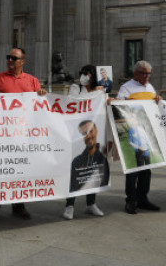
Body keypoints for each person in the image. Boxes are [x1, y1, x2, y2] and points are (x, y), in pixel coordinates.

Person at [0, 47, 47, 221]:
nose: (10, 60)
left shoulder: (32, 81)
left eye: (14, 58)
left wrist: (42, 94)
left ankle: (19, 205)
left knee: (20, 171)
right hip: (2, 135)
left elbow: (37, 107)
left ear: (22, 62)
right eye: (8, 57)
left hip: (23, 134)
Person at [116, 60, 163, 214]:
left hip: (147, 134)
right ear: (135, 73)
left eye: (149, 73)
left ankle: (143, 198)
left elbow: (154, 107)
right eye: (143, 73)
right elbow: (118, 106)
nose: (147, 76)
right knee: (133, 171)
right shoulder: (126, 88)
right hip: (134, 134)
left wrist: (158, 101)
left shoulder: (150, 87)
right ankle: (130, 200)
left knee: (147, 170)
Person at [64, 65, 107, 220]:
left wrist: (102, 94)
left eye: (87, 73)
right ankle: (69, 205)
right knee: (76, 168)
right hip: (77, 133)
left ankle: (91, 203)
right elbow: (71, 102)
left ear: (93, 75)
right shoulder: (76, 87)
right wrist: (94, 94)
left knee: (93, 169)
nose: (84, 76)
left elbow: (105, 105)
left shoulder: (100, 90)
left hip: (95, 133)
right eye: (81, 73)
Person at [64, 119, 109, 220]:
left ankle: (91, 204)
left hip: (98, 158)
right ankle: (69, 205)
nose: (88, 136)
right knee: (74, 179)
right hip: (77, 165)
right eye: (84, 134)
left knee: (95, 177)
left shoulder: (102, 156)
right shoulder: (76, 160)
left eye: (90, 131)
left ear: (96, 130)